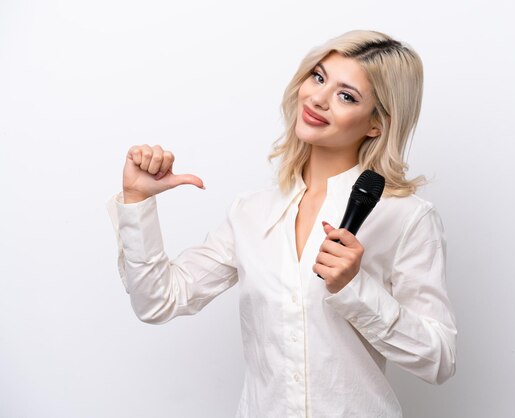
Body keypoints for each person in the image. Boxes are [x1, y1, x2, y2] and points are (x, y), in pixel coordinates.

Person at [106, 30, 457, 418]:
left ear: (377, 124)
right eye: (319, 77)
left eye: (346, 95)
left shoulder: (406, 217)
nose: (319, 98)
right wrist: (137, 200)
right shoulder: (251, 212)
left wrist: (355, 288)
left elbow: (438, 359)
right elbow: (158, 301)